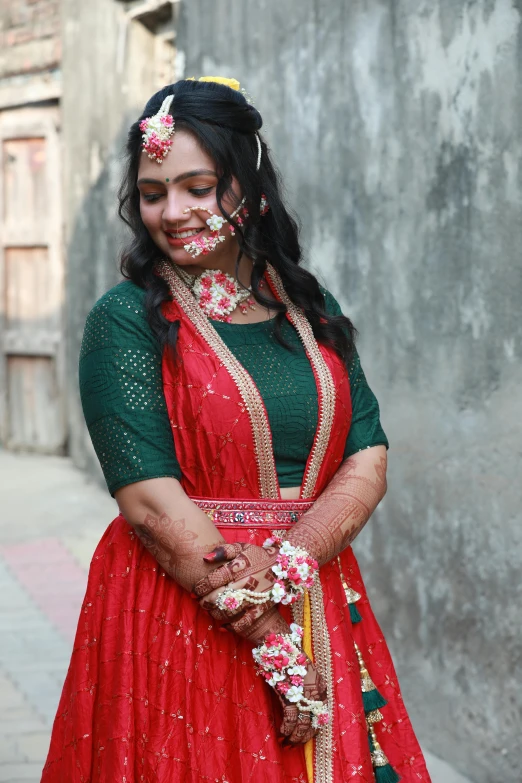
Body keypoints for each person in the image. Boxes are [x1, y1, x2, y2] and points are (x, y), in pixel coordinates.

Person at [42, 76, 431, 783]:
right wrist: (273, 638)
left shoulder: (308, 305)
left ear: (246, 186)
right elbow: (149, 502)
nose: (173, 211)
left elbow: (366, 453)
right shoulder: (127, 319)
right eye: (154, 192)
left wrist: (293, 562)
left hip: (312, 590)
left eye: (198, 186)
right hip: (181, 605)